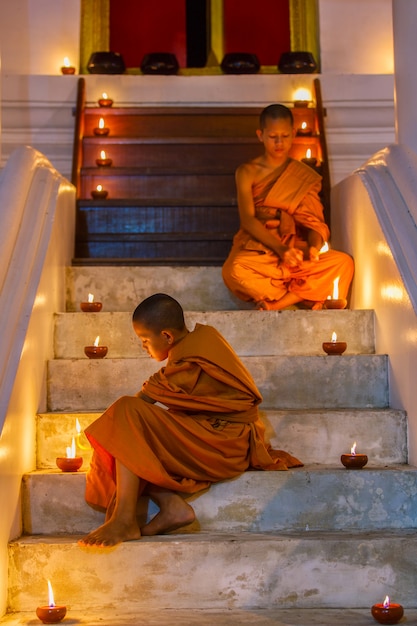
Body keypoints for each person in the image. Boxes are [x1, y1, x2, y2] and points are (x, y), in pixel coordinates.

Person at [78, 293, 303, 547]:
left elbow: (139, 403)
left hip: (223, 445)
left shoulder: (189, 361)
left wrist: (105, 432)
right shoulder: (204, 338)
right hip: (221, 439)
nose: (143, 346)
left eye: (144, 340)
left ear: (166, 336)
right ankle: (171, 505)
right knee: (132, 431)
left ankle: (124, 518)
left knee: (124, 414)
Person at [222, 103, 354, 310]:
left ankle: (280, 302)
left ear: (293, 134)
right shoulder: (247, 171)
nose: (279, 142)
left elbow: (314, 223)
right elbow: (248, 220)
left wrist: (313, 248)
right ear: (261, 135)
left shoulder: (303, 175)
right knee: (235, 270)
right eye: (273, 136)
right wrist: (282, 250)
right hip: (263, 250)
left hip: (296, 251)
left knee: (343, 262)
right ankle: (303, 295)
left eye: (284, 136)